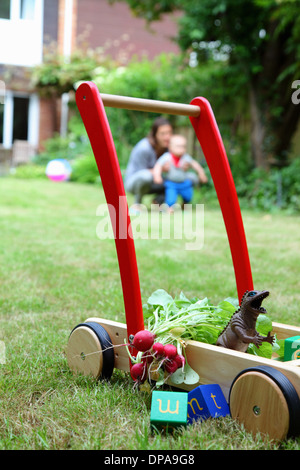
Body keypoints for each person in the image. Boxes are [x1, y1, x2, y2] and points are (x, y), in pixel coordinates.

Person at [124, 117, 173, 207]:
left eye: (169, 133)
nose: (167, 137)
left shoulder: (170, 148)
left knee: (176, 179)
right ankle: (137, 205)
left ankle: (157, 203)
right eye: (163, 134)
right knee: (146, 176)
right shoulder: (144, 148)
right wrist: (160, 169)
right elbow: (141, 173)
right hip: (134, 182)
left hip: (154, 182)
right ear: (155, 135)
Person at [152, 134, 208, 208]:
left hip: (184, 183)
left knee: (188, 196)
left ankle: (184, 204)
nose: (181, 149)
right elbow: (158, 165)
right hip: (171, 183)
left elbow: (195, 165)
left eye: (183, 146)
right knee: (171, 199)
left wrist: (202, 174)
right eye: (178, 146)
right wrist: (157, 176)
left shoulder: (185, 157)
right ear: (170, 147)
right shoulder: (167, 157)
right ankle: (169, 207)